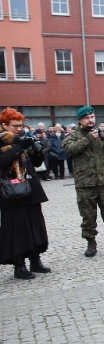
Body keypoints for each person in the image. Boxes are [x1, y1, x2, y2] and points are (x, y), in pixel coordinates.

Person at [63, 107, 104, 257]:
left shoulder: (102, 132)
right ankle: (91, 243)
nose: (91, 120)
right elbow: (69, 150)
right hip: (85, 184)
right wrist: (88, 139)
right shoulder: (73, 135)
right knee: (88, 215)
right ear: (79, 120)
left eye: (92, 117)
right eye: (87, 118)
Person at [0, 108, 52, 280]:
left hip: (30, 190)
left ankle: (35, 260)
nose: (18, 129)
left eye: (20, 126)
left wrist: (37, 152)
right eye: (14, 126)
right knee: (17, 230)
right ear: (3, 125)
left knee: (34, 225)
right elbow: (3, 162)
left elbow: (35, 163)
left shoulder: (23, 139)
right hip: (11, 194)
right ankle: (19, 265)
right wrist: (17, 148)